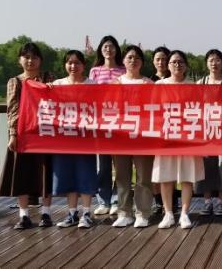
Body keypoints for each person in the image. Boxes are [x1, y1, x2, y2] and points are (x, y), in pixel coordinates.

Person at [0, 42, 54, 229]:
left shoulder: (48, 78)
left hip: (45, 132)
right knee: (21, 174)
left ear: (40, 60)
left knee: (45, 173)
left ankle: (46, 213)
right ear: (20, 60)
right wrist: (13, 134)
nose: (30, 61)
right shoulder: (15, 82)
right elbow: (12, 109)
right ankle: (24, 215)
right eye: (26, 57)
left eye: (34, 57)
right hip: (23, 134)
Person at [153, 50, 204, 229]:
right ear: (168, 65)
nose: (177, 65)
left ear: (186, 65)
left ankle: (184, 213)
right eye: (173, 62)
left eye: (180, 62)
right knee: (166, 176)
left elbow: (200, 111)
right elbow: (152, 110)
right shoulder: (159, 85)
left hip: (187, 138)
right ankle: (168, 213)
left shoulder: (194, 86)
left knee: (187, 176)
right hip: (166, 137)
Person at [111, 45, 155, 228]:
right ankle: (124, 212)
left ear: (142, 62)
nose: (133, 60)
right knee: (122, 176)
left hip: (143, 136)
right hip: (120, 136)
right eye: (129, 57)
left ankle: (143, 213)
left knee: (143, 176)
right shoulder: (115, 83)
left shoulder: (149, 84)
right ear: (123, 61)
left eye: (137, 58)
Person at [51, 50, 97, 229]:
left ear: (83, 65)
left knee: (85, 174)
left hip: (86, 137)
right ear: (65, 65)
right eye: (69, 62)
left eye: (77, 62)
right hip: (64, 138)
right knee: (68, 174)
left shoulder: (93, 85)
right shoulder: (57, 84)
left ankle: (86, 213)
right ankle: (72, 213)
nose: (73, 66)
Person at [89, 35, 126, 216]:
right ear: (101, 50)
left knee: (120, 164)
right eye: (105, 47)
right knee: (103, 165)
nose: (108, 50)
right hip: (101, 123)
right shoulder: (95, 71)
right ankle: (103, 200)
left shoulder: (123, 70)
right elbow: (89, 94)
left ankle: (117, 200)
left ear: (116, 50)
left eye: (111, 47)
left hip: (120, 123)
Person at [196, 49, 222, 217]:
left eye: (217, 60)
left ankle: (221, 201)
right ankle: (207, 201)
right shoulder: (201, 83)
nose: (214, 63)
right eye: (211, 60)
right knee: (206, 166)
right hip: (206, 131)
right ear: (206, 63)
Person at [150, 46, 171, 216]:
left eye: (164, 59)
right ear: (153, 61)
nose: (161, 62)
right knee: (155, 168)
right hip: (155, 129)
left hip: (173, 129)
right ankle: (158, 201)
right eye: (158, 59)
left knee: (172, 168)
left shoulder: (175, 78)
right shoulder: (149, 81)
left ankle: (172, 202)